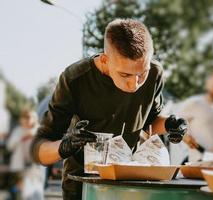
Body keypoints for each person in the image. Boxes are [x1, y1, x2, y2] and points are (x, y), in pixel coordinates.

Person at [30, 18, 187, 200]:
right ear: (105, 60)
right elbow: (37, 149)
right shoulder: (75, 79)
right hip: (84, 186)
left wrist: (170, 124)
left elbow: (149, 122)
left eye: (141, 73)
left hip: (131, 184)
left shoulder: (155, 73)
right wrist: (65, 146)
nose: (134, 84)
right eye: (125, 74)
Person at [176, 70, 213, 162]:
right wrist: (184, 136)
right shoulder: (195, 103)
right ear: (208, 83)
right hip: (198, 161)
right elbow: (176, 122)